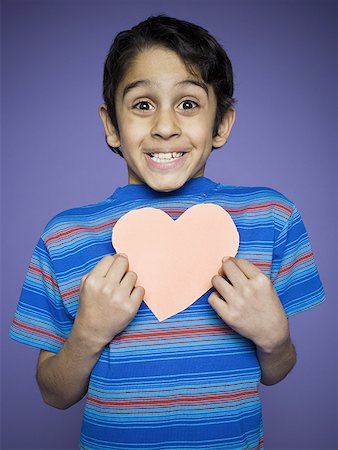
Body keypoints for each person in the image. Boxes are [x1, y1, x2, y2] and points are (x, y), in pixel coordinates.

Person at [9, 15, 325, 450]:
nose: (164, 126)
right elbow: (53, 393)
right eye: (142, 105)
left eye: (188, 104)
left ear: (222, 123)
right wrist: (88, 333)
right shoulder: (66, 237)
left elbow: (278, 369)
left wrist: (275, 338)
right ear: (111, 125)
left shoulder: (272, 218)